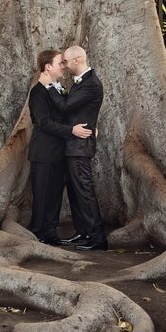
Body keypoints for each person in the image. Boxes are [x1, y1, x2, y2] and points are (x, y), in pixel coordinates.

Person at [28, 50, 91, 245]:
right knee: (42, 195)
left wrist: (91, 127)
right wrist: (71, 130)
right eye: (59, 63)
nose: (63, 66)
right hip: (43, 152)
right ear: (48, 67)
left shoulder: (59, 88)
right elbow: (44, 123)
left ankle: (50, 233)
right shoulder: (37, 92)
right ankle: (38, 234)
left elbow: (68, 112)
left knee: (55, 195)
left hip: (59, 152)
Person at [48, 45, 107, 251]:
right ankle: (83, 232)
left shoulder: (91, 83)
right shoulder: (80, 83)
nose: (63, 65)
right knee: (75, 191)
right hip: (73, 145)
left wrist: (49, 86)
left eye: (65, 61)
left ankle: (97, 238)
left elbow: (66, 107)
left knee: (84, 190)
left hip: (81, 146)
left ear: (77, 60)